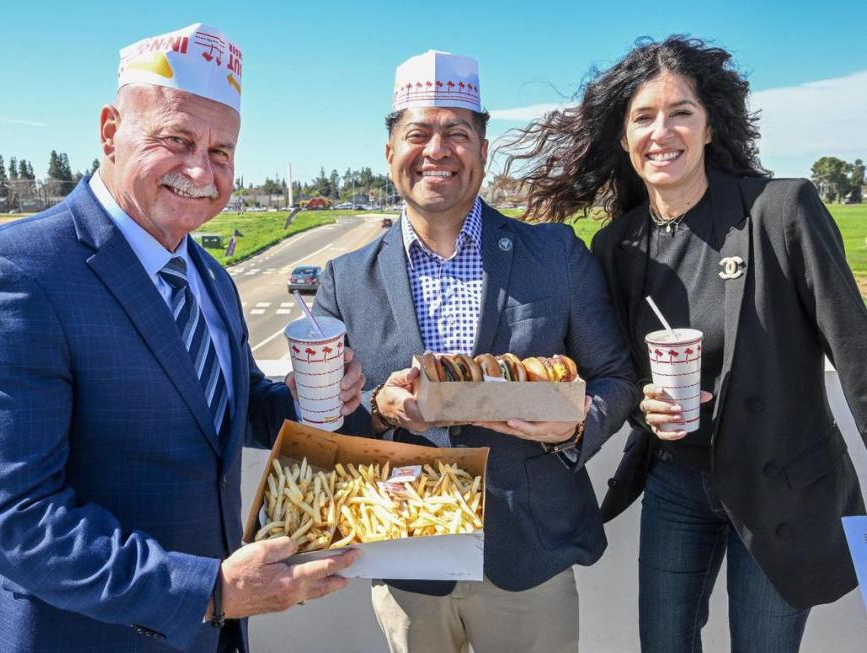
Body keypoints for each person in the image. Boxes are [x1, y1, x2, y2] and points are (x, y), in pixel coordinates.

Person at [0, 23, 364, 653]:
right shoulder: (14, 274)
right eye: (176, 139)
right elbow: (15, 521)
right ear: (110, 130)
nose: (199, 170)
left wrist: (309, 402)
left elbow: (223, 410)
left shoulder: (208, 275)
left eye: (221, 152)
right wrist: (208, 591)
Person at [504, 35, 867, 652]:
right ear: (623, 138)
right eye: (643, 117)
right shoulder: (618, 247)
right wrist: (643, 407)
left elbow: (858, 359)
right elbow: (614, 371)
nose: (661, 131)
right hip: (676, 481)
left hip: (781, 485)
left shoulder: (781, 211)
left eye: (681, 113)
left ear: (709, 126)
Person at [313, 50, 637, 653]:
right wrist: (380, 409)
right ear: (389, 153)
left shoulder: (556, 255)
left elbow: (615, 377)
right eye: (418, 133)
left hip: (528, 557)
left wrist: (567, 430)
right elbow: (326, 416)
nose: (437, 149)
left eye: (457, 133)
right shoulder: (344, 280)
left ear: (483, 152)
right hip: (408, 554)